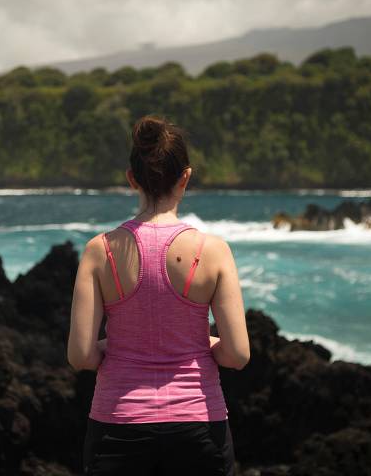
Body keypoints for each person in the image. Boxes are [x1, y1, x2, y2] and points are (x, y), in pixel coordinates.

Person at [67, 114, 250, 475]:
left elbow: (81, 357)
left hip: (117, 427)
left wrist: (115, 345)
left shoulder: (98, 251)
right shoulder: (213, 251)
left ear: (131, 178)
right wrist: (202, 342)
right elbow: (238, 354)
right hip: (199, 428)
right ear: (185, 177)